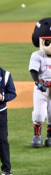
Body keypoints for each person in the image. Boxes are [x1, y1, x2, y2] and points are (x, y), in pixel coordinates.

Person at [29, 17, 51, 148]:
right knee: (39, 113)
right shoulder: (37, 55)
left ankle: (49, 136)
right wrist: (37, 82)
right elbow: (33, 70)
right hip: (41, 88)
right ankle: (37, 134)